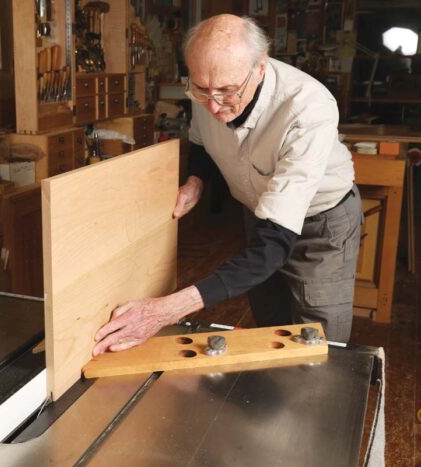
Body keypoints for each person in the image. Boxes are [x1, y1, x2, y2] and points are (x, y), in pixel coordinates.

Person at [92, 14, 361, 356]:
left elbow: (273, 245)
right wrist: (195, 182)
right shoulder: (208, 84)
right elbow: (202, 142)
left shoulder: (308, 108)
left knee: (320, 339)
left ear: (260, 68)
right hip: (258, 211)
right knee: (270, 325)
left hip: (323, 223)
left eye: (227, 92)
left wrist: (166, 309)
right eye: (202, 90)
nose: (214, 106)